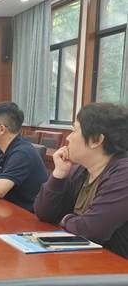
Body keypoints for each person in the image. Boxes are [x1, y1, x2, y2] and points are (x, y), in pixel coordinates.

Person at [34, 103, 128, 258]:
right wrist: (58, 174)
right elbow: (44, 213)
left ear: (96, 140)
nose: (68, 137)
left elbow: (90, 230)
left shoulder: (123, 174)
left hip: (116, 264)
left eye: (74, 130)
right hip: (85, 257)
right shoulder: (81, 169)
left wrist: (64, 218)